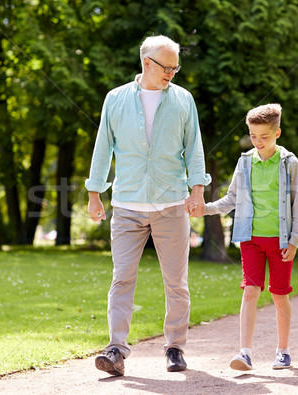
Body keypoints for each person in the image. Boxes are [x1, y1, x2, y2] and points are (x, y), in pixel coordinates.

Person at [85, 35, 211, 376]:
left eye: (176, 67)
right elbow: (102, 149)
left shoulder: (183, 100)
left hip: (172, 204)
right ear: (146, 63)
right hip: (126, 205)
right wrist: (94, 193)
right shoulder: (116, 99)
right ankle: (115, 349)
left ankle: (174, 347)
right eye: (166, 67)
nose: (172, 72)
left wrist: (197, 190)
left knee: (176, 281)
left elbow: (194, 148)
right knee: (122, 277)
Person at [193, 103, 298, 370]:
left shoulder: (289, 163)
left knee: (279, 295)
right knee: (250, 291)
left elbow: (297, 203)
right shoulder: (245, 162)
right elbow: (232, 198)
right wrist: (206, 209)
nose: (258, 142)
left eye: (264, 137)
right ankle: (244, 352)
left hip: (280, 241)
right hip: (250, 239)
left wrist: (294, 240)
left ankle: (283, 351)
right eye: (253, 136)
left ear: (277, 133)